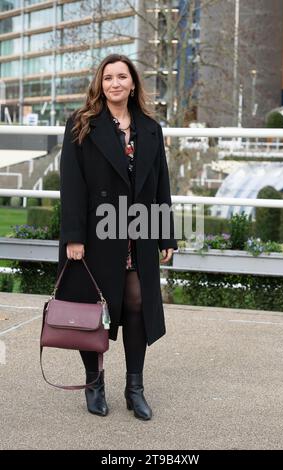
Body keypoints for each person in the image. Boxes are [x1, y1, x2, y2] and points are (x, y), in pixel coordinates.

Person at [56, 54, 177, 421]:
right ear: (100, 84)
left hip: (137, 232)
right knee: (93, 311)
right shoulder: (82, 125)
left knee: (138, 304)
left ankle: (134, 388)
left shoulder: (150, 129)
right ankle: (94, 384)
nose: (115, 83)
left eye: (122, 77)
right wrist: (74, 237)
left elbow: (160, 184)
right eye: (108, 78)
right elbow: (71, 185)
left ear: (133, 83)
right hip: (94, 235)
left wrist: (165, 235)